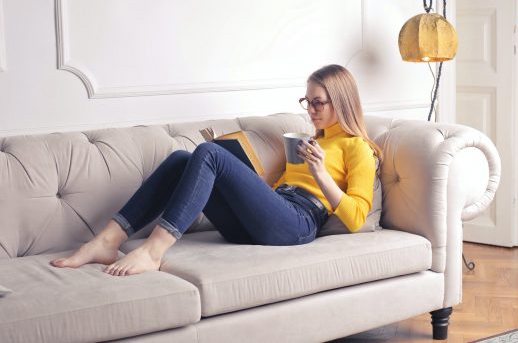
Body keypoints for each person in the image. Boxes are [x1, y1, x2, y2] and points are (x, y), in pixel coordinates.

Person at [50, 64, 383, 276]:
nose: (309, 109)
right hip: (266, 218)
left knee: (208, 153)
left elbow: (356, 218)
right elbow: (274, 195)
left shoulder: (357, 148)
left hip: (298, 224)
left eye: (317, 102)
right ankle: (108, 240)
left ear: (341, 101)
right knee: (183, 159)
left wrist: (321, 173)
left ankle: (153, 251)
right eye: (306, 102)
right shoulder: (310, 141)